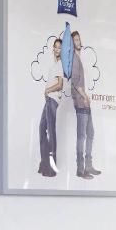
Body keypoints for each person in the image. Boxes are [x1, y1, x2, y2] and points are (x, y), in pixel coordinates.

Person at [70, 31, 101, 179]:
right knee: (81, 136)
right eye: (75, 40)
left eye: (78, 39)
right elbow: (75, 82)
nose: (78, 41)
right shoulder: (74, 60)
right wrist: (84, 96)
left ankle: (88, 165)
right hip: (81, 101)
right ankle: (80, 169)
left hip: (86, 102)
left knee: (90, 133)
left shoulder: (80, 58)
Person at [37, 38, 64, 177]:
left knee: (51, 131)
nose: (57, 49)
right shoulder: (55, 64)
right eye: (56, 47)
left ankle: (52, 167)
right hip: (49, 99)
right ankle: (44, 163)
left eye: (60, 48)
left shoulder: (60, 64)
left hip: (52, 99)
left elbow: (60, 85)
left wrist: (47, 90)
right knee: (42, 128)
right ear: (53, 48)